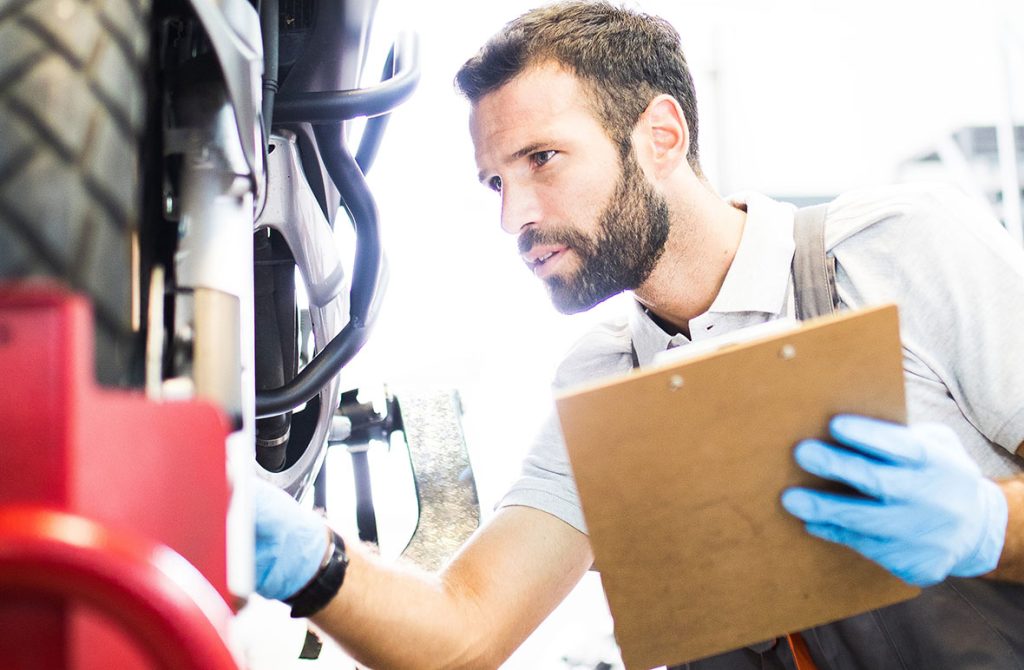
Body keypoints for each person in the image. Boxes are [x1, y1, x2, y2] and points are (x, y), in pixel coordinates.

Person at [253, 2, 1024, 668]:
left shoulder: (896, 248)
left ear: (661, 136)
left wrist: (989, 527)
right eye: (496, 181)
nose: (512, 216)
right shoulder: (605, 385)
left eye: (542, 159)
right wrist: (300, 553)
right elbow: (465, 630)